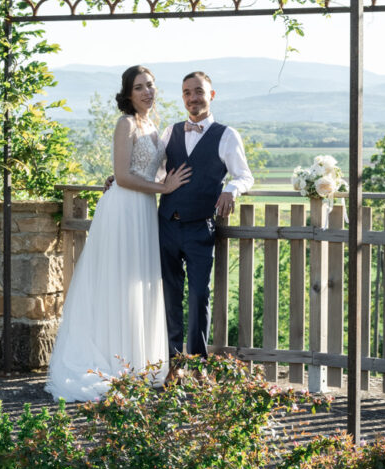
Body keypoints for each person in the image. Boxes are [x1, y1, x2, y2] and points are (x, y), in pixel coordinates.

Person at [44, 65, 190, 402]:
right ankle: (111, 362)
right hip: (124, 208)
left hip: (143, 211)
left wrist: (168, 184)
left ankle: (137, 362)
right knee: (117, 282)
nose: (146, 92)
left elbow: (158, 169)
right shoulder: (125, 124)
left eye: (150, 85)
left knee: (138, 282)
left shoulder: (154, 126)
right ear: (128, 94)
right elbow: (122, 176)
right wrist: (161, 186)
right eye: (139, 87)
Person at [158, 69, 254, 360]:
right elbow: (153, 171)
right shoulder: (169, 132)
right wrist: (117, 177)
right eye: (187, 92)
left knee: (199, 295)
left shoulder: (226, 135)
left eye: (198, 91)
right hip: (167, 226)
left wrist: (231, 190)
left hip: (200, 227)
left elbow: (245, 175)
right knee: (169, 295)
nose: (192, 97)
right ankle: (173, 362)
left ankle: (197, 362)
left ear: (211, 95)